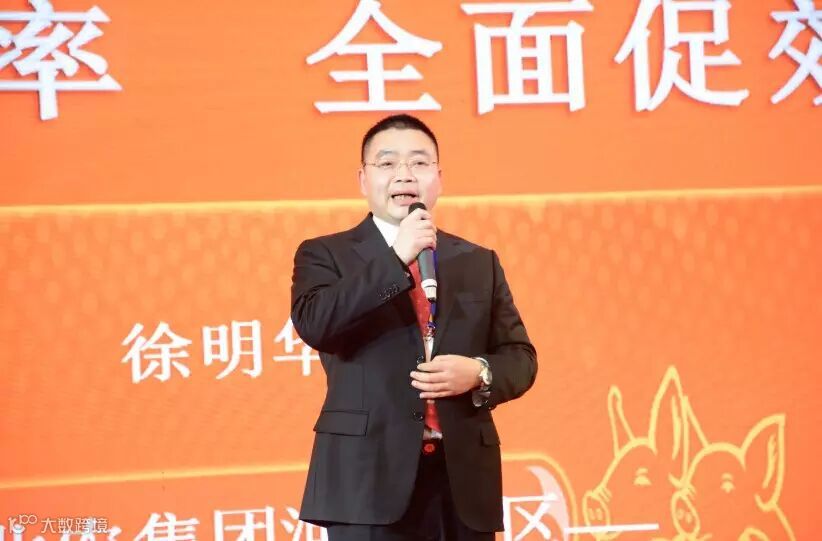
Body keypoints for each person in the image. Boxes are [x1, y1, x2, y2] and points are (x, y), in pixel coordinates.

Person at [291, 114, 537, 541]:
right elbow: (316, 324)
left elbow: (520, 357)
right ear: (363, 179)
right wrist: (395, 258)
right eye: (387, 163)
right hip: (367, 481)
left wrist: (479, 372)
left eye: (419, 163)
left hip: (461, 483)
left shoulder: (478, 261)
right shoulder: (325, 254)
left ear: (438, 178)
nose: (404, 174)